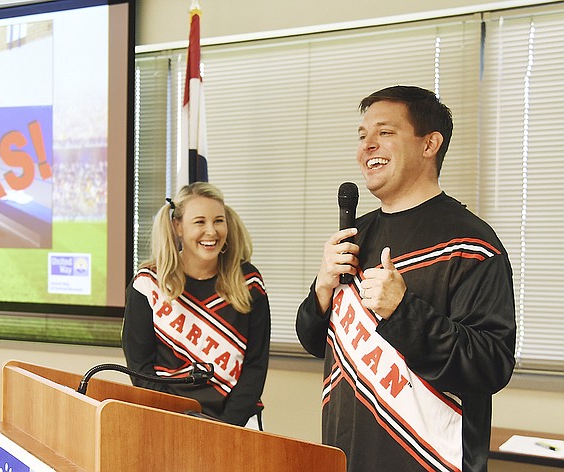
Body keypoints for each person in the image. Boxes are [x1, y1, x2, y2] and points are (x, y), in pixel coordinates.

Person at [296, 85, 516, 472]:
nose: (368, 146)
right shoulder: (354, 235)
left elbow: (491, 364)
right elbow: (316, 342)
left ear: (430, 144)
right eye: (363, 136)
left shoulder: (472, 244)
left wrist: (403, 312)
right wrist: (322, 290)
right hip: (346, 454)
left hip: (431, 459)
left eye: (385, 133)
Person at [122, 182, 271, 429]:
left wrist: (225, 425)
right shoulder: (148, 284)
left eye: (218, 221)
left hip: (237, 422)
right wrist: (177, 418)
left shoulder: (249, 282)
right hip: (167, 420)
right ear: (178, 226)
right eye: (199, 222)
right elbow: (140, 369)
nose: (211, 232)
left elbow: (256, 366)